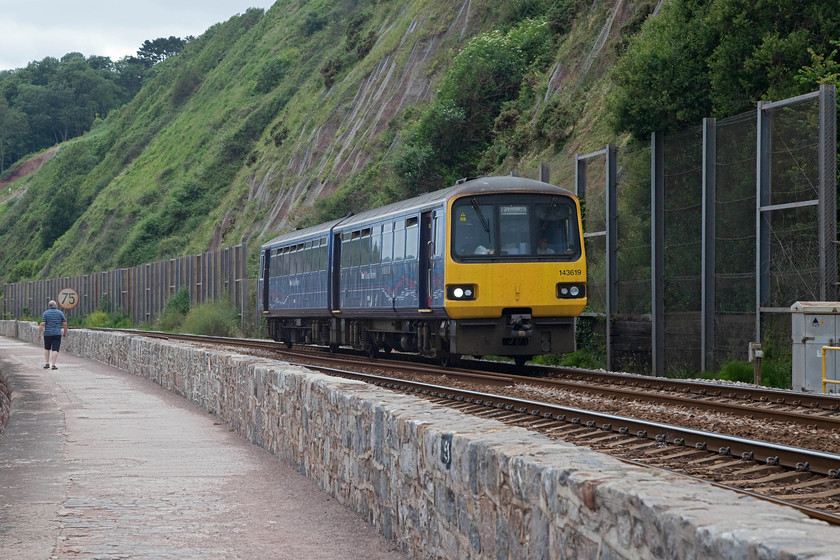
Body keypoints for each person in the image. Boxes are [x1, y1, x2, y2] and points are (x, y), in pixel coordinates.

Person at [37, 300, 68, 370]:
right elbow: (65, 323)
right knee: (55, 349)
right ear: (55, 305)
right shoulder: (60, 313)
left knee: (47, 348)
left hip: (47, 333)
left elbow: (42, 324)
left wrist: (39, 333)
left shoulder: (46, 313)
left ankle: (47, 363)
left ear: (49, 306)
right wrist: (65, 332)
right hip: (57, 333)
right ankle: (53, 365)